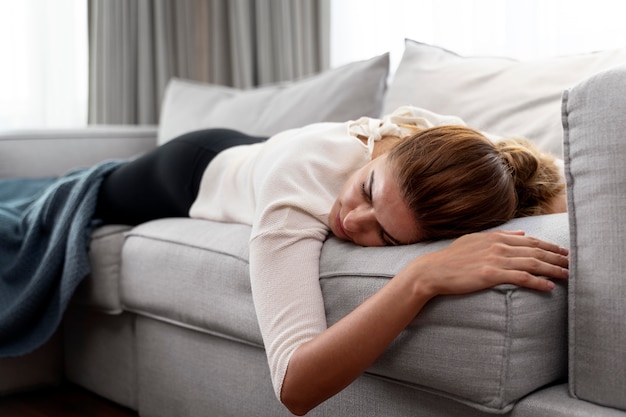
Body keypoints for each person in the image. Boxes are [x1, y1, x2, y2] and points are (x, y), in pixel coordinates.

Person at [93, 106, 568, 415]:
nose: (352, 220)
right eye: (368, 189)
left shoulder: (460, 156)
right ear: (397, 149)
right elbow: (296, 387)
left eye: (385, 235)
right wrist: (419, 277)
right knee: (88, 195)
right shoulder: (295, 195)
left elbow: (550, 188)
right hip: (188, 168)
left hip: (264, 144)